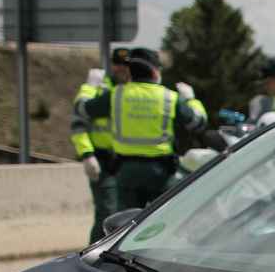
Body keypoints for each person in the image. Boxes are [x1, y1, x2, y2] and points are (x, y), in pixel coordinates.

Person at [76, 47, 206, 213]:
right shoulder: (169, 97)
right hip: (161, 172)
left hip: (126, 172)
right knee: (162, 220)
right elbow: (198, 123)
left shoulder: (116, 95)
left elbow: (82, 109)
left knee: (126, 225)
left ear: (131, 70)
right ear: (154, 70)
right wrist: (190, 99)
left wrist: (88, 87)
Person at [71, 47, 132, 243]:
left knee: (128, 214)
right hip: (102, 160)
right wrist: (87, 154)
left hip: (126, 161)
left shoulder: (134, 91)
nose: (122, 69)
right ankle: (95, 257)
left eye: (126, 65)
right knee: (107, 212)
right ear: (112, 66)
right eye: (118, 64)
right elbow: (77, 125)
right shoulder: (100, 90)